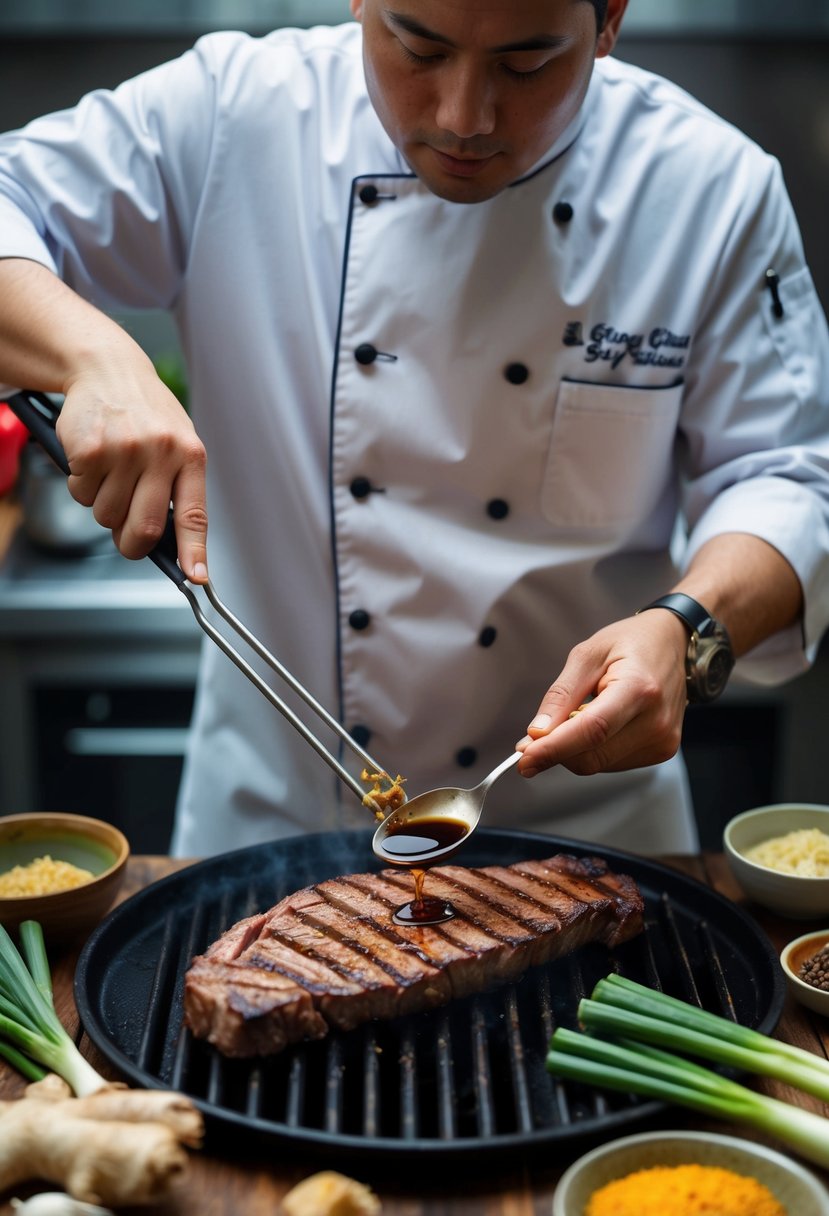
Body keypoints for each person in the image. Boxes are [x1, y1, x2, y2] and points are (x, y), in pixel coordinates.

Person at [0, 0, 827, 859]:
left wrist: (686, 626)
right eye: (416, 47)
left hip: (592, 843)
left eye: (525, 63)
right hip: (275, 840)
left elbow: (786, 479)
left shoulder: (707, 188)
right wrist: (91, 354)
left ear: (609, 17)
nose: (462, 117)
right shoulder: (233, 117)